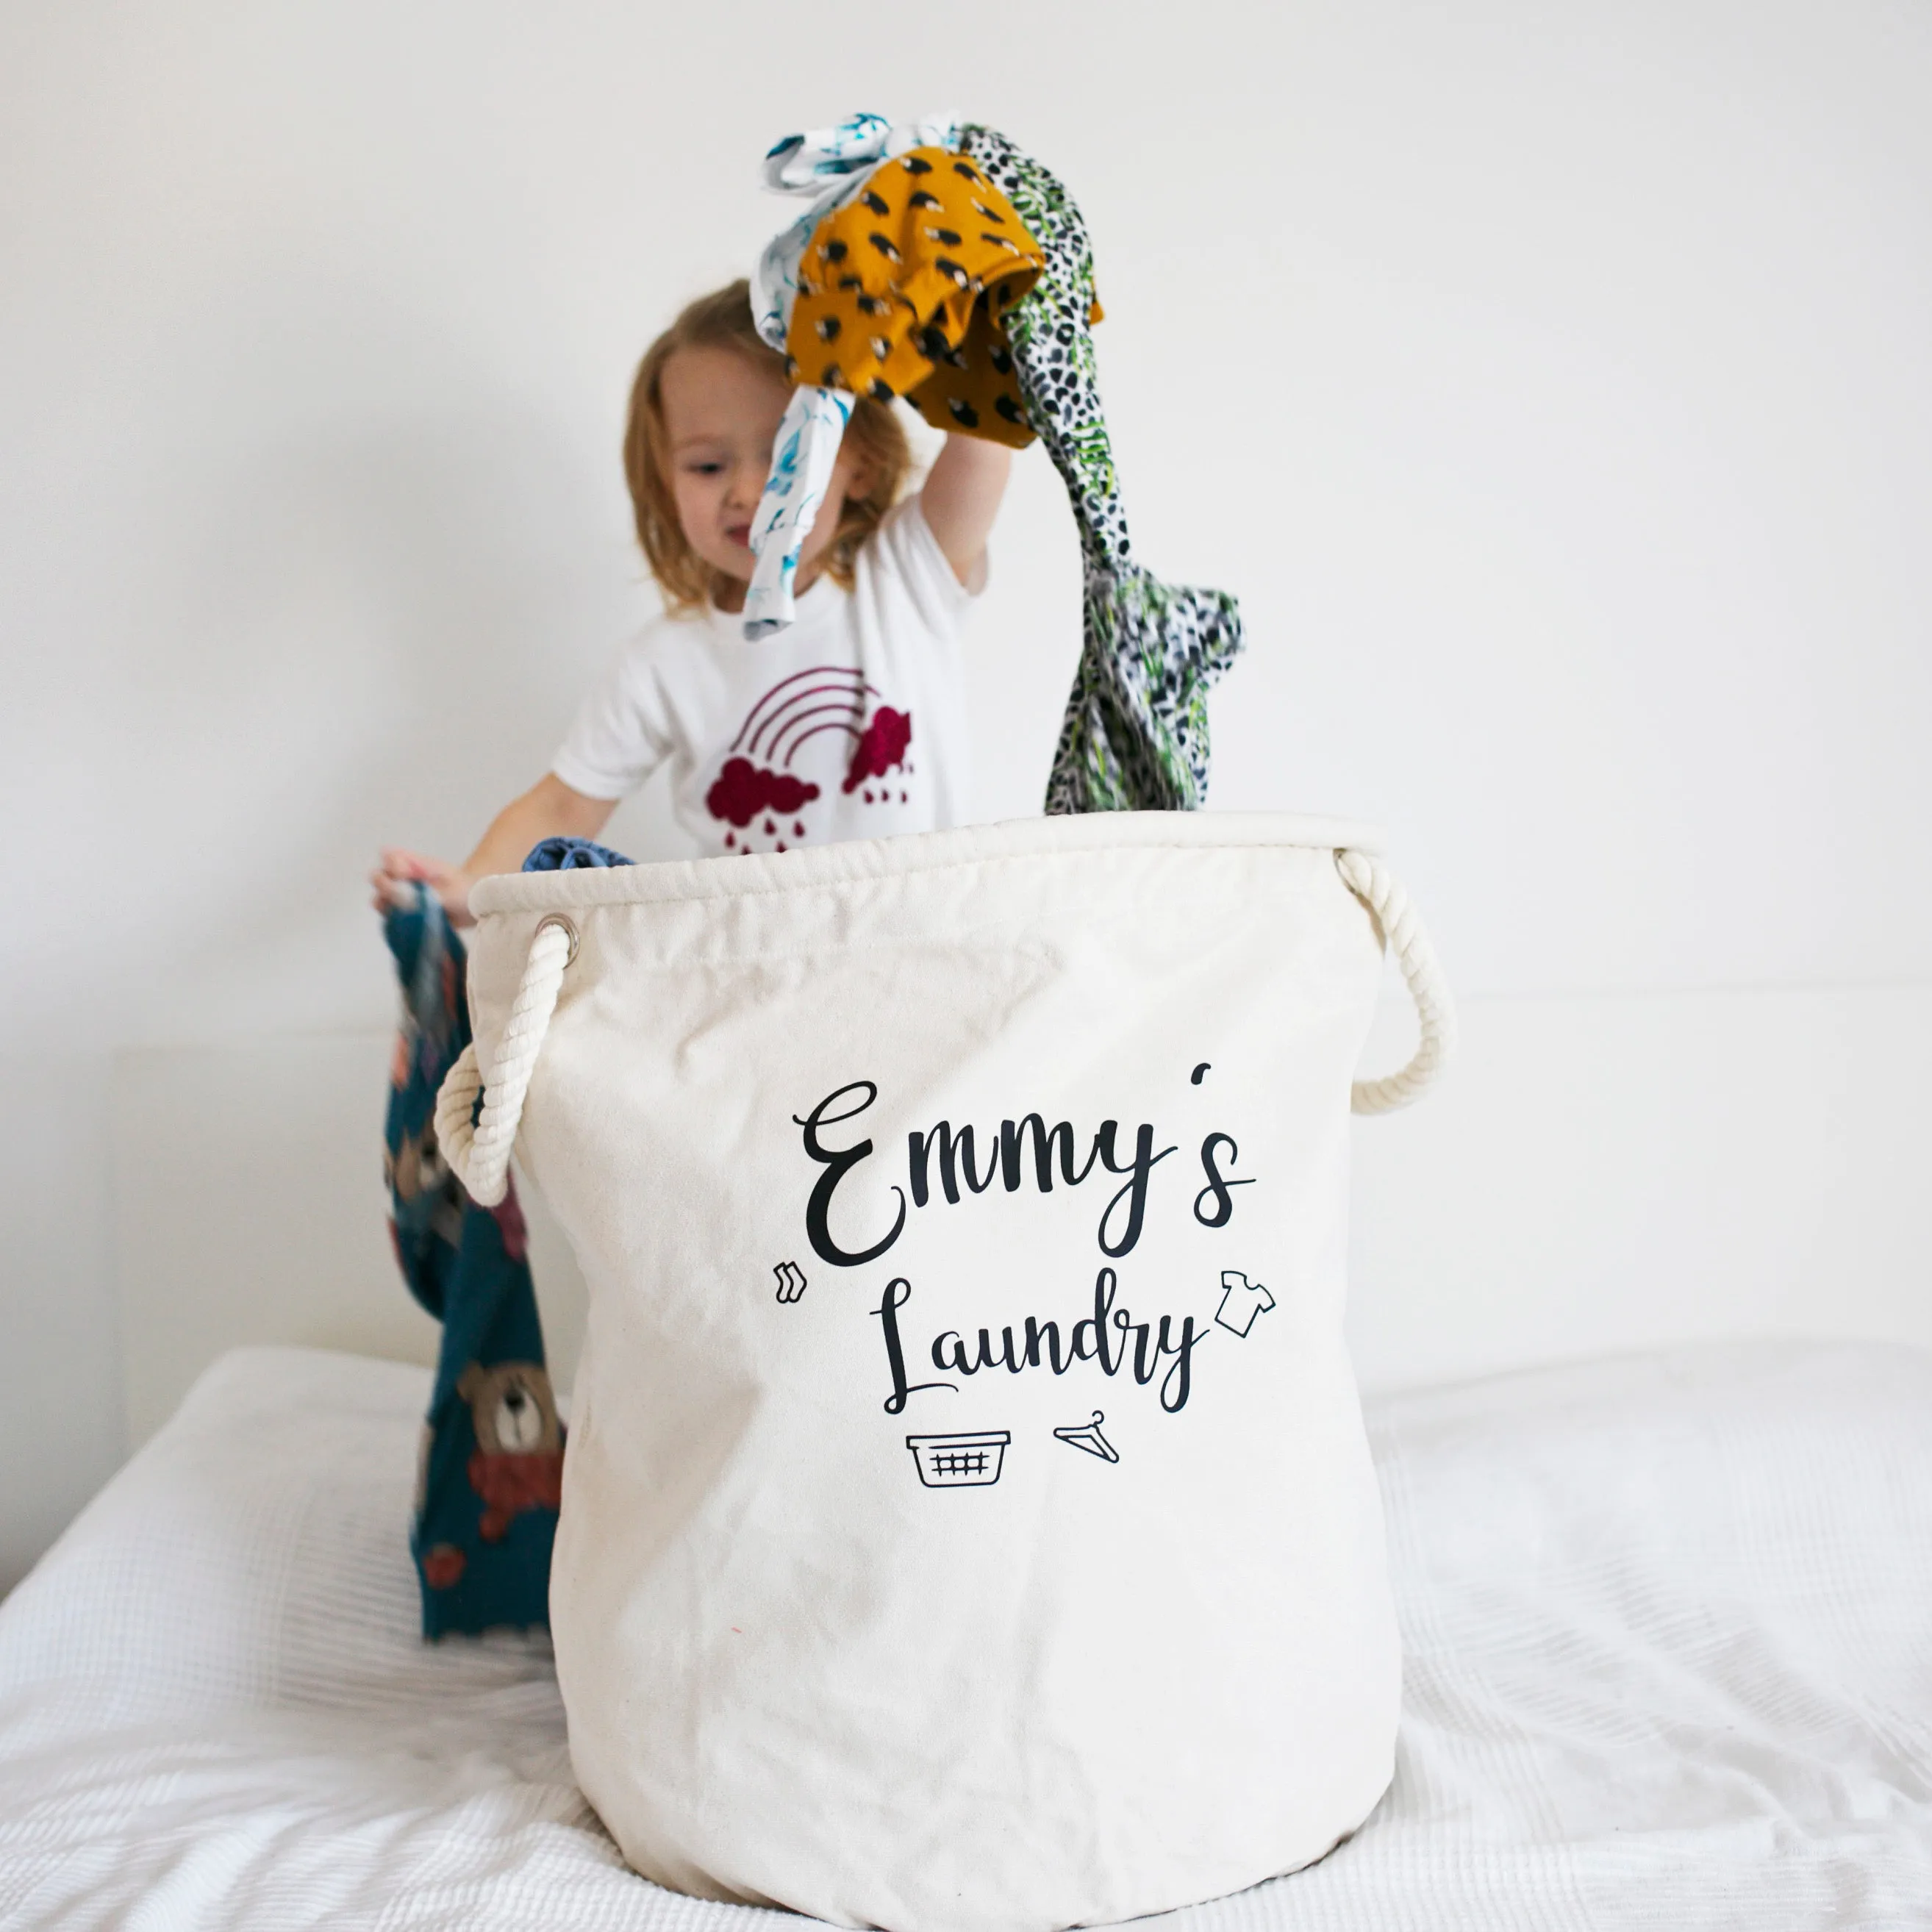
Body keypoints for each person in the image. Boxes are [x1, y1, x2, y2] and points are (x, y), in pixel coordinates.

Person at [372, 278, 1011, 923]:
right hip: (757, 961)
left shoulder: (904, 578)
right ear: (663, 486)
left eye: (789, 452)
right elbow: (564, 807)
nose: (746, 491)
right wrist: (473, 884)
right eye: (708, 466)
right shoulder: (661, 663)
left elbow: (981, 453)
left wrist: (961, 326)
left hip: (927, 940)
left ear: (862, 465)